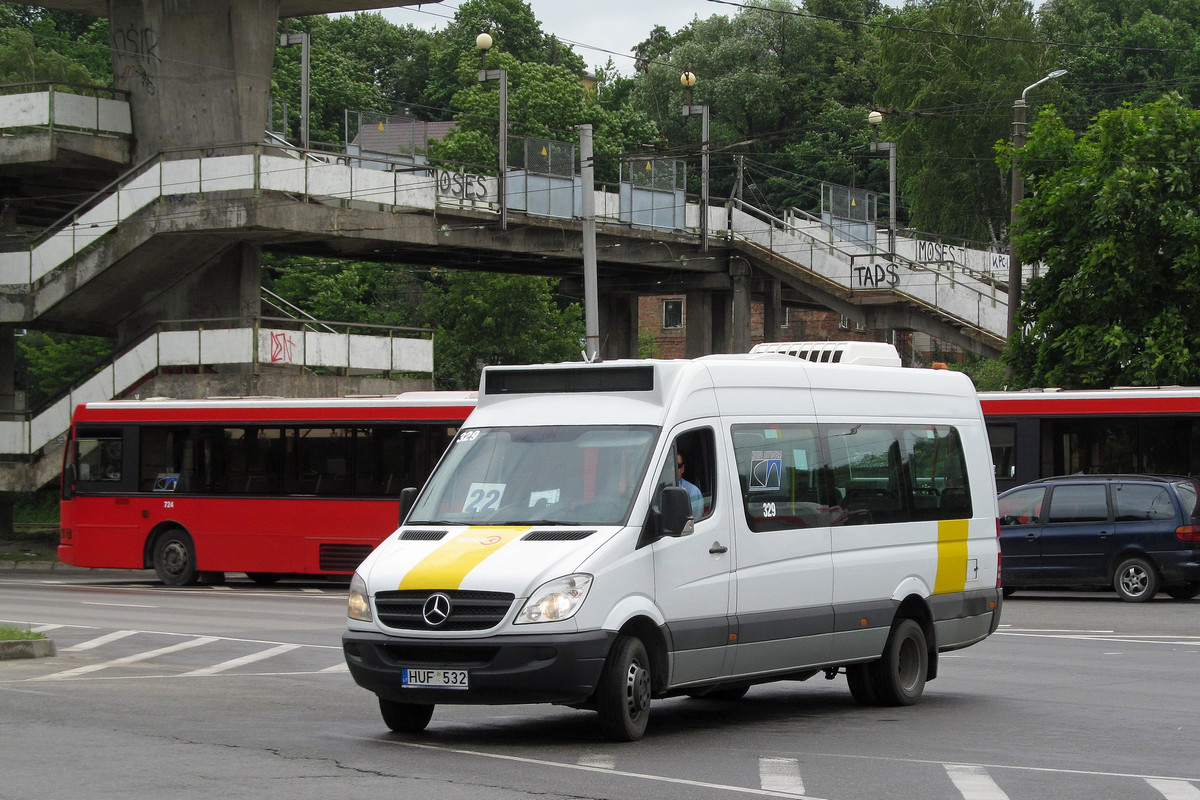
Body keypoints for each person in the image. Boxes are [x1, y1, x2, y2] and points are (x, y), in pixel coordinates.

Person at [676, 455, 704, 519]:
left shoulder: (692, 491)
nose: (673, 468)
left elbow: (695, 522)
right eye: (669, 465)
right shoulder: (655, 489)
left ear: (682, 469)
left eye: (677, 465)